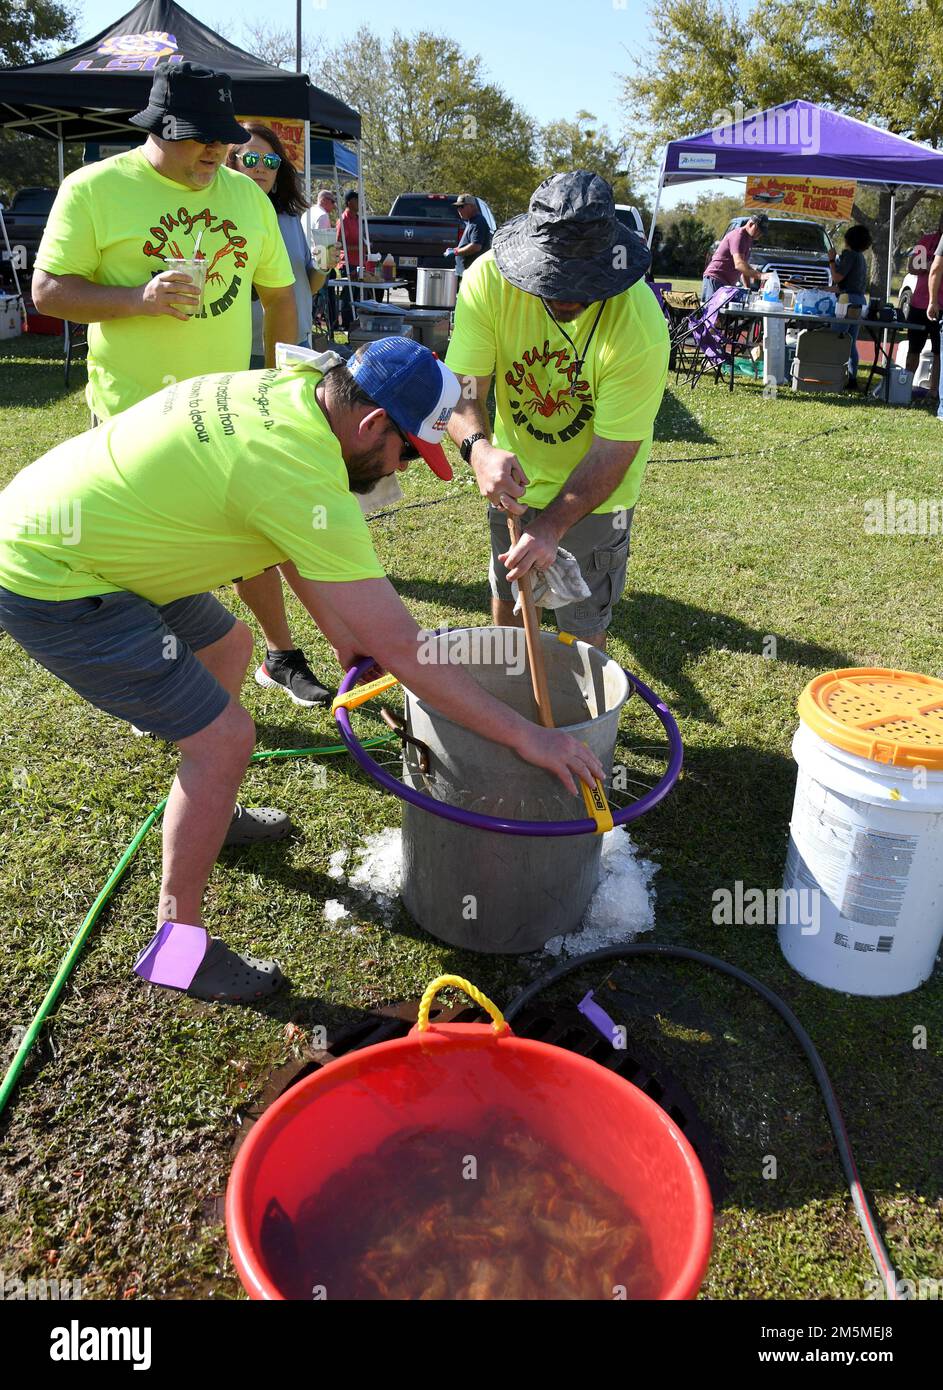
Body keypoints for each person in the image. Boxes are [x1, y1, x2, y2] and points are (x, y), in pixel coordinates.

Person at [0, 339, 602, 1005]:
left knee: (228, 646)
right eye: (406, 454)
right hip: (56, 576)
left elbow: (295, 547)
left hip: (99, 533)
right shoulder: (301, 472)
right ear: (373, 425)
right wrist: (528, 736)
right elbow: (405, 648)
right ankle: (177, 948)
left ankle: (212, 810)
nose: (397, 470)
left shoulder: (291, 395)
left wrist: (348, 652)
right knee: (223, 742)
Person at [31, 61, 328, 710]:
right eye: (201, 137)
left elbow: (279, 294)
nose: (218, 150)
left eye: (223, 136)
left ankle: (280, 655)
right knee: (143, 565)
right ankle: (157, 685)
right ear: (157, 128)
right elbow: (49, 292)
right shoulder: (95, 189)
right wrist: (139, 298)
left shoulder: (244, 194)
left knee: (255, 538)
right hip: (131, 420)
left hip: (224, 413)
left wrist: (278, 380)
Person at [445, 171, 669, 653]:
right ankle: (506, 703)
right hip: (515, 480)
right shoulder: (487, 281)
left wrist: (551, 527)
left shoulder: (640, 324)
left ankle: (582, 719)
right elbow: (465, 389)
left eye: (582, 283)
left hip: (596, 495)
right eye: (552, 279)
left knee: (581, 625)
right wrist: (478, 449)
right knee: (511, 596)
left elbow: (616, 447)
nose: (566, 294)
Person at [226, 125, 327, 369]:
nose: (261, 167)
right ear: (231, 165)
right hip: (247, 352)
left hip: (297, 347)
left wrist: (323, 266)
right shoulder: (221, 219)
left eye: (271, 161)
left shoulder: (289, 219)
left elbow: (307, 287)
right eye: (251, 159)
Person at [904, 213, 943, 404]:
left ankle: (934, 392)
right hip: (918, 304)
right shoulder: (926, 240)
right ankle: (905, 386)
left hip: (941, 306)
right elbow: (911, 266)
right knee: (913, 349)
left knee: (939, 352)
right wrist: (928, 265)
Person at [827, 224, 872, 384]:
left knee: (837, 338)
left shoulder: (849, 255)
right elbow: (845, 283)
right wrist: (822, 288)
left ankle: (832, 373)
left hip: (846, 302)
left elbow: (838, 277)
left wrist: (832, 260)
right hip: (859, 301)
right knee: (851, 341)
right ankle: (852, 377)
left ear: (848, 240)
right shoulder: (861, 258)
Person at [701, 213, 769, 300]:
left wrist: (747, 289)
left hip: (727, 283)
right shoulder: (739, 236)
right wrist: (760, 276)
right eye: (759, 231)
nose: (760, 235)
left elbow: (744, 267)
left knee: (723, 312)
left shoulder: (748, 239)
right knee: (711, 311)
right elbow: (739, 264)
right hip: (716, 279)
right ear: (751, 224)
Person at [446, 194, 492, 278]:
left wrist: (456, 252)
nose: (459, 210)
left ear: (472, 206)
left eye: (462, 206)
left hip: (474, 273)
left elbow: (476, 246)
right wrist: (455, 249)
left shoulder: (478, 222)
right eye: (457, 207)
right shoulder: (471, 221)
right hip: (466, 272)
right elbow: (469, 243)